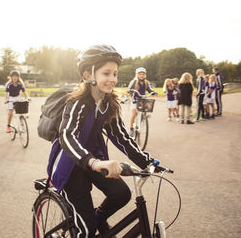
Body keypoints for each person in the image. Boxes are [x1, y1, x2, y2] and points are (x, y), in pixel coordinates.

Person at [46, 44, 164, 237]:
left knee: (121, 194)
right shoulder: (77, 103)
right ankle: (89, 225)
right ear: (88, 75)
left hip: (96, 161)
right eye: (106, 73)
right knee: (86, 230)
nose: (112, 79)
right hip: (71, 166)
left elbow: (121, 137)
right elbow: (67, 135)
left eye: (115, 74)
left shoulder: (109, 103)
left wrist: (146, 161)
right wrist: (94, 162)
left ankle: (97, 218)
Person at [127, 67, 157, 136]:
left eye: (143, 74)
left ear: (145, 75)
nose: (141, 75)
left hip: (142, 100)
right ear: (137, 75)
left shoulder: (146, 82)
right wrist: (129, 90)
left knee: (146, 109)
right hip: (135, 100)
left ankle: (142, 118)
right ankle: (131, 129)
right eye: (140, 74)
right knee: (134, 114)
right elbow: (129, 88)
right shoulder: (134, 81)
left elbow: (149, 90)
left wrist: (153, 92)